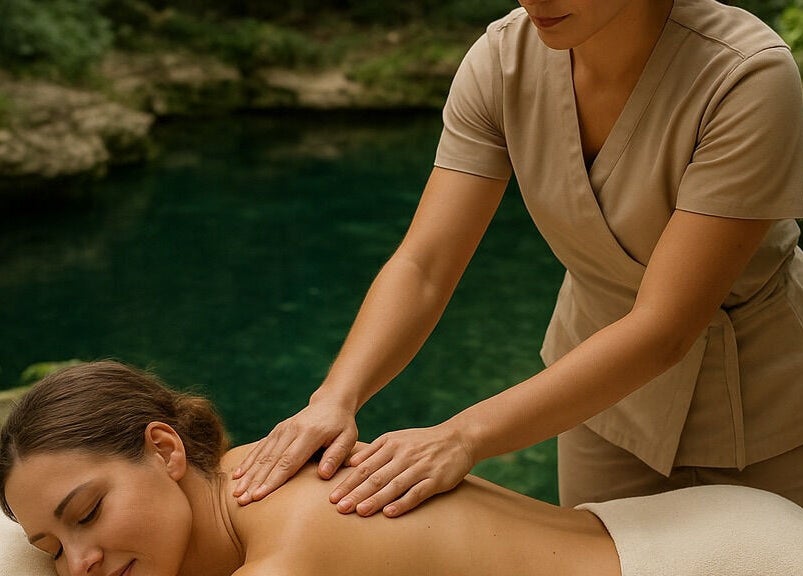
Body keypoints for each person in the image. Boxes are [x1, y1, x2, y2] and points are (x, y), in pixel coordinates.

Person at [232, 0, 803, 515]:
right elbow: (425, 264)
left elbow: (665, 328)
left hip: (769, 412)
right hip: (597, 406)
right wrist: (335, 397)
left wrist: (463, 436)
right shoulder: (504, 61)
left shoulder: (746, 75)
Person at [2, 361, 803, 576]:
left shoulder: (295, 548)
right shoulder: (246, 474)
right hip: (680, 522)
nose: (81, 563)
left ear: (167, 451)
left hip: (722, 564)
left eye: (85, 514)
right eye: (50, 553)